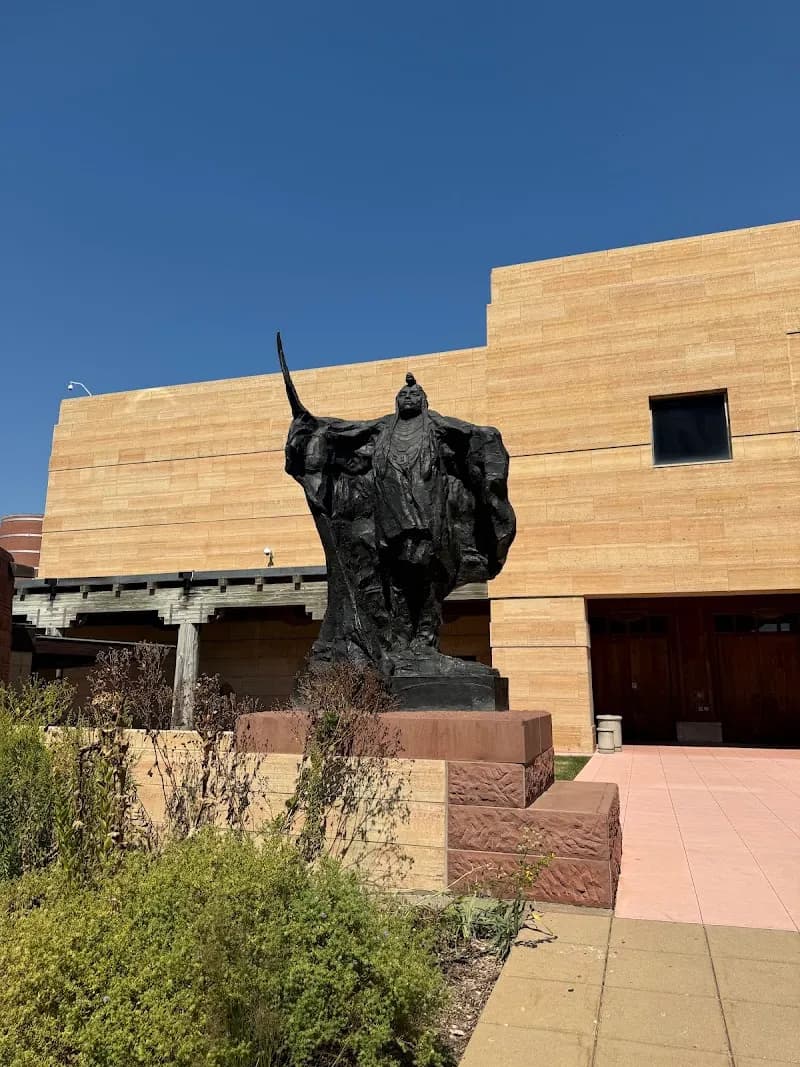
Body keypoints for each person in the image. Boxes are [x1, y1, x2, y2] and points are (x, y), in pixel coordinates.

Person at [280, 337, 515, 677]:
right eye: (403, 394)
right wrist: (310, 424)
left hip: (429, 519)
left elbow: (473, 437)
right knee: (397, 579)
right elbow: (345, 432)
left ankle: (425, 640)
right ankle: (401, 642)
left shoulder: (436, 426)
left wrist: (488, 460)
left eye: (414, 394)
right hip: (390, 520)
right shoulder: (383, 428)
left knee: (428, 577)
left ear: (424, 401)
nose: (408, 396)